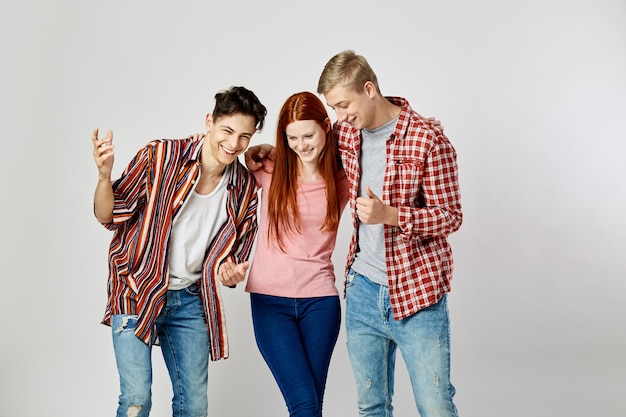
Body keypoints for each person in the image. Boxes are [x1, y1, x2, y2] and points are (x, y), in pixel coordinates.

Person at [247, 50, 462, 417]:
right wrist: (267, 149)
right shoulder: (347, 133)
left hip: (416, 290)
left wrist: (390, 215)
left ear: (369, 88)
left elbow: (451, 216)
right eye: (334, 108)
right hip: (362, 290)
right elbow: (303, 148)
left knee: (435, 405)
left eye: (344, 104)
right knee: (370, 406)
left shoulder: (427, 139)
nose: (340, 116)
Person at [91, 86, 267, 417]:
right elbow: (108, 216)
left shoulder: (243, 187)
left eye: (245, 136)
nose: (234, 143)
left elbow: (233, 265)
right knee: (136, 400)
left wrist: (230, 273)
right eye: (227, 130)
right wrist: (104, 176)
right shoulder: (161, 156)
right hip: (136, 290)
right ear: (209, 122)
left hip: (189, 300)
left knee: (194, 406)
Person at [243, 91, 349, 417]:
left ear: (326, 128)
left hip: (321, 303)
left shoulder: (343, 178)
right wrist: (250, 150)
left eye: (308, 135)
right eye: (292, 138)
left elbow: (373, 138)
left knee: (309, 406)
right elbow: (224, 167)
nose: (301, 145)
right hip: (269, 302)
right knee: (304, 405)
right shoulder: (270, 170)